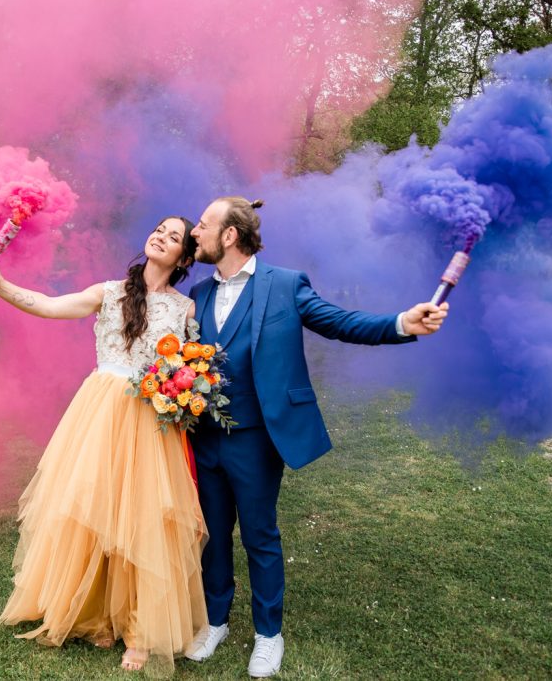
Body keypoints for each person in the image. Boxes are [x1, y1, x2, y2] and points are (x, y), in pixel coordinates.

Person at [182, 197, 449, 678]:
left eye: (203, 225)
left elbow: (340, 322)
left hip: (259, 438)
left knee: (260, 536)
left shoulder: (284, 284)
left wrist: (399, 324)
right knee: (213, 536)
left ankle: (268, 635)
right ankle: (215, 621)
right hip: (204, 437)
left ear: (229, 236)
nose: (194, 232)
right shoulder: (197, 294)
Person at [0, 216, 208, 675]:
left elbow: (194, 367)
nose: (160, 235)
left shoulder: (185, 309)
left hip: (148, 417)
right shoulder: (109, 291)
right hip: (99, 411)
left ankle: (140, 631)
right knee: (93, 510)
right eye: (158, 228)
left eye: (173, 236)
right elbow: (46, 305)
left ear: (184, 257)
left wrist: (187, 390)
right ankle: (97, 613)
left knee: (142, 517)